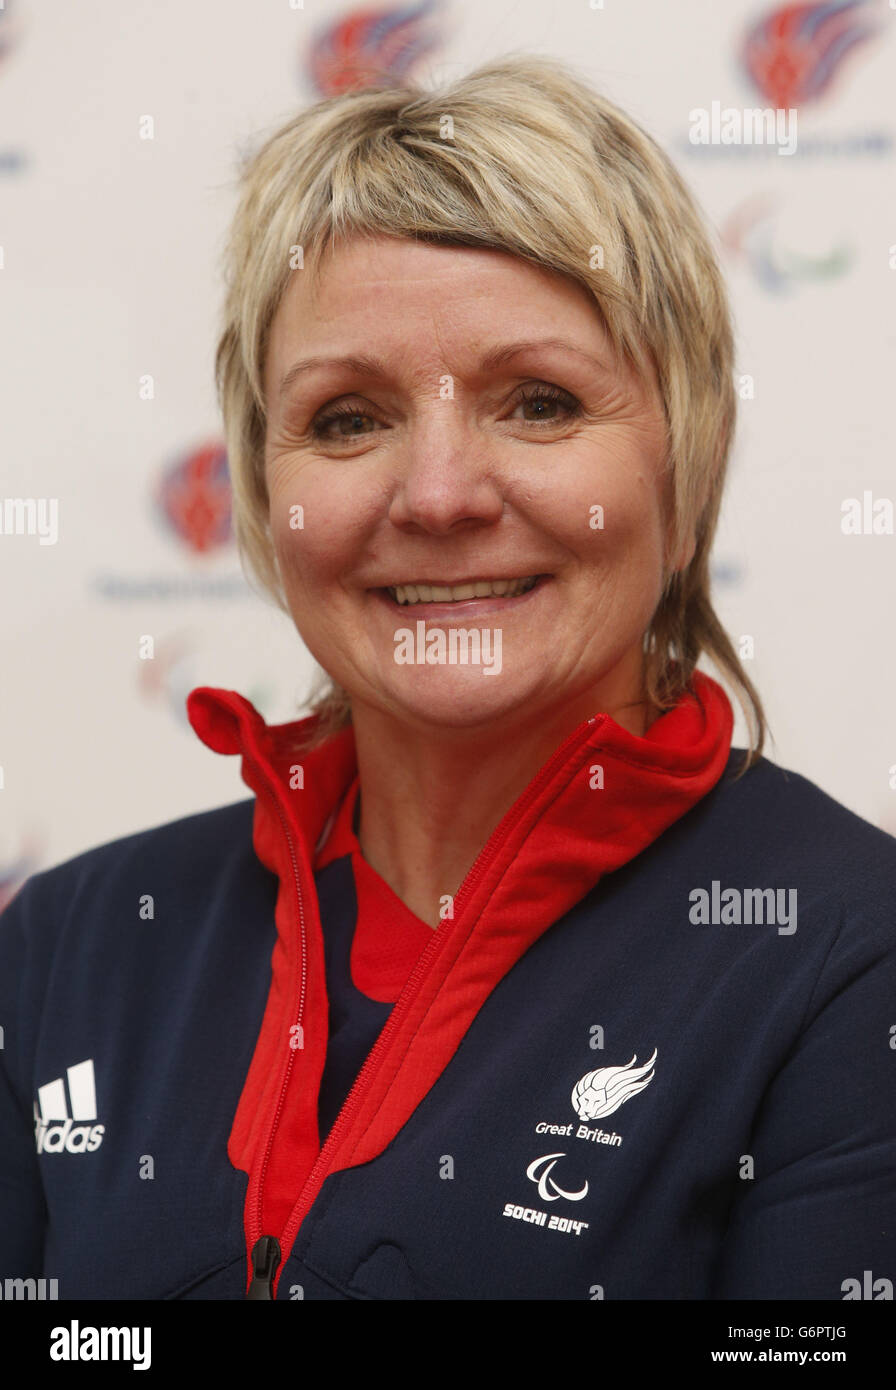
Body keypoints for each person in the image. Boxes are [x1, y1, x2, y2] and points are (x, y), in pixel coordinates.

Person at [2, 54, 894, 1302]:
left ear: (684, 471)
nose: (435, 496)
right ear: (265, 494)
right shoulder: (69, 943)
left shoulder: (848, 953)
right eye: (348, 419)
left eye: (535, 402)